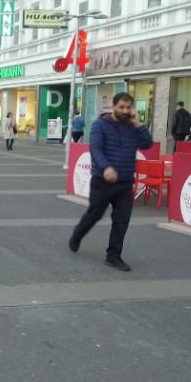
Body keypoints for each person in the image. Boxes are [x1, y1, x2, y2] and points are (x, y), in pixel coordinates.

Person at [69, 92, 153, 272]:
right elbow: (95, 149)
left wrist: (139, 124)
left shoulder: (133, 127)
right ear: (113, 107)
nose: (125, 111)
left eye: (128, 107)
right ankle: (78, 234)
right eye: (121, 107)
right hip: (102, 181)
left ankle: (113, 256)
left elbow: (147, 144)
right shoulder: (101, 125)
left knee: (122, 220)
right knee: (95, 214)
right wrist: (106, 168)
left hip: (125, 183)